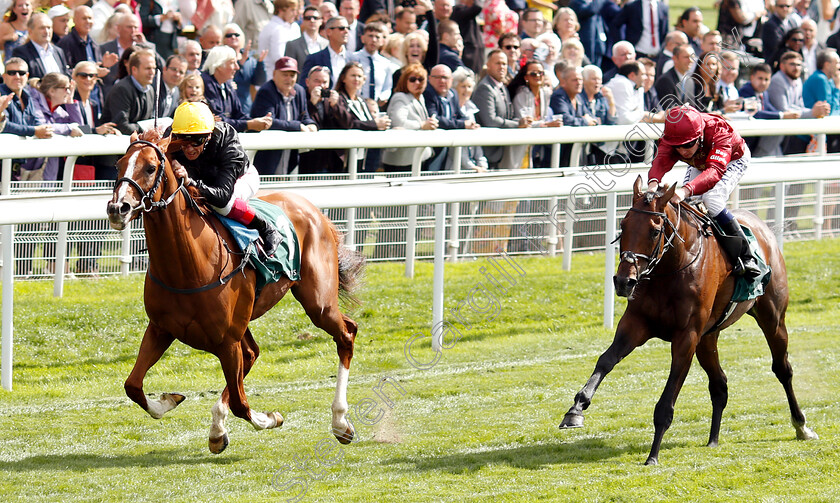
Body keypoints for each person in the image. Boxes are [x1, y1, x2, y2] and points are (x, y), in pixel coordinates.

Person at [647, 105, 761, 278]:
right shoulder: (674, 137)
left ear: (699, 135)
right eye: (677, 147)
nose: (683, 151)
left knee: (712, 200)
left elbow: (714, 172)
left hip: (732, 159)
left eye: (688, 144)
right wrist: (652, 185)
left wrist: (685, 190)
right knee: (686, 206)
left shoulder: (719, 132)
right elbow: (660, 161)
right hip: (700, 160)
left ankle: (746, 256)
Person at [169, 101, 283, 257]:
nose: (189, 148)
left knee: (221, 206)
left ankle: (266, 228)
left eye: (196, 141)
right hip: (204, 179)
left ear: (208, 135)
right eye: (183, 141)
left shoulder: (227, 142)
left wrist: (190, 182)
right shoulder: (175, 132)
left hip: (240, 179)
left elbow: (222, 197)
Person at [251, 57, 317, 175]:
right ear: (274, 74)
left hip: (291, 152)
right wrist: (298, 126)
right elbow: (269, 122)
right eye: (284, 74)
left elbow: (304, 115)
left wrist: (311, 124)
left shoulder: (299, 91)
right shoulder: (266, 91)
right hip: (269, 154)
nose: (289, 79)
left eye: (292, 75)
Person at [473, 49, 531, 170]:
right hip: (488, 152)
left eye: (504, 64)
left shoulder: (501, 87)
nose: (502, 67)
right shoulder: (485, 88)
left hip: (500, 151)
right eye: (497, 63)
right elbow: (490, 121)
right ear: (488, 66)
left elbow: (508, 116)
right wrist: (518, 124)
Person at [201, 45, 272, 133]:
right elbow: (218, 121)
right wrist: (249, 124)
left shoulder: (227, 84)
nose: (237, 67)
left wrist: (258, 122)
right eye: (232, 63)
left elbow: (238, 114)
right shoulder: (205, 83)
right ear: (219, 65)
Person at [383, 63, 438, 171]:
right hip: (401, 160)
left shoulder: (420, 97)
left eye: (421, 79)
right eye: (412, 79)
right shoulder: (400, 97)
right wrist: (422, 125)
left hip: (418, 157)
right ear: (405, 81)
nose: (417, 82)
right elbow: (399, 123)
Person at [223, 22, 267, 112]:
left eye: (236, 35)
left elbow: (259, 82)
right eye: (229, 35)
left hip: (245, 108)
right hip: (226, 108)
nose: (233, 37)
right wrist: (240, 64)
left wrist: (260, 64)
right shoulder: (221, 59)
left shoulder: (249, 60)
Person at [12, 12, 69, 78]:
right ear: (30, 31)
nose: (47, 31)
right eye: (42, 28)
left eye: (49, 28)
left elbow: (66, 75)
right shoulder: (21, 52)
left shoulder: (59, 51)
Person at [284, 5, 327, 70]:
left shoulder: (327, 44)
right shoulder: (292, 45)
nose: (312, 20)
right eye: (308, 18)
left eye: (315, 18)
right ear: (303, 20)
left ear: (321, 21)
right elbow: (289, 71)